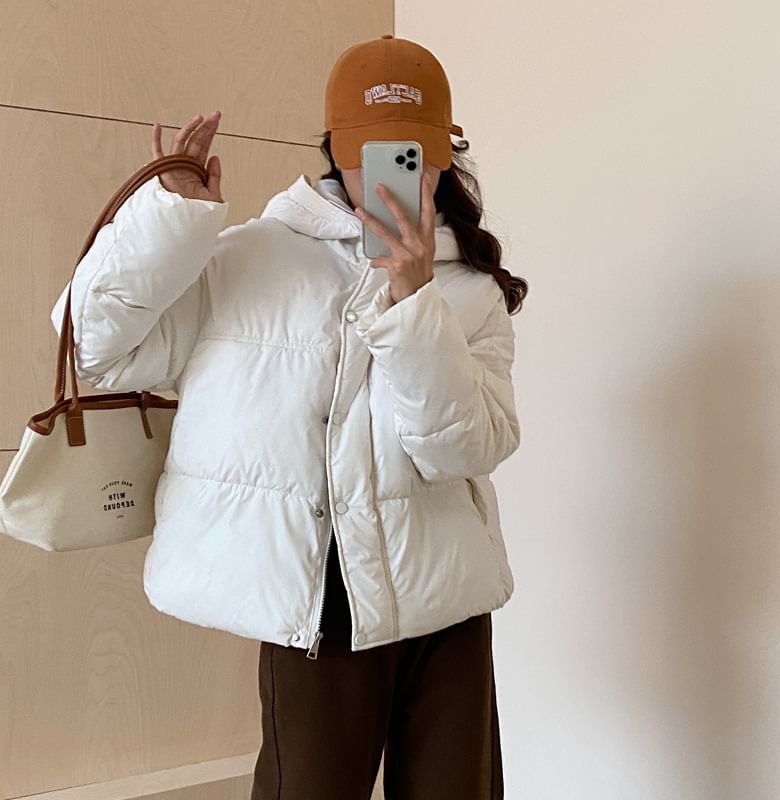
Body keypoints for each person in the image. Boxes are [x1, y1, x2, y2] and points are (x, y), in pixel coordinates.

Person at [51, 33, 527, 800]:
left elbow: (464, 451)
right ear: (336, 148)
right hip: (318, 616)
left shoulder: (471, 290)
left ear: (446, 153)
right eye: (374, 152)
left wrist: (412, 298)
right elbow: (93, 347)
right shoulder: (246, 258)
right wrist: (168, 221)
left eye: (413, 154)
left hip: (447, 608)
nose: (396, 174)